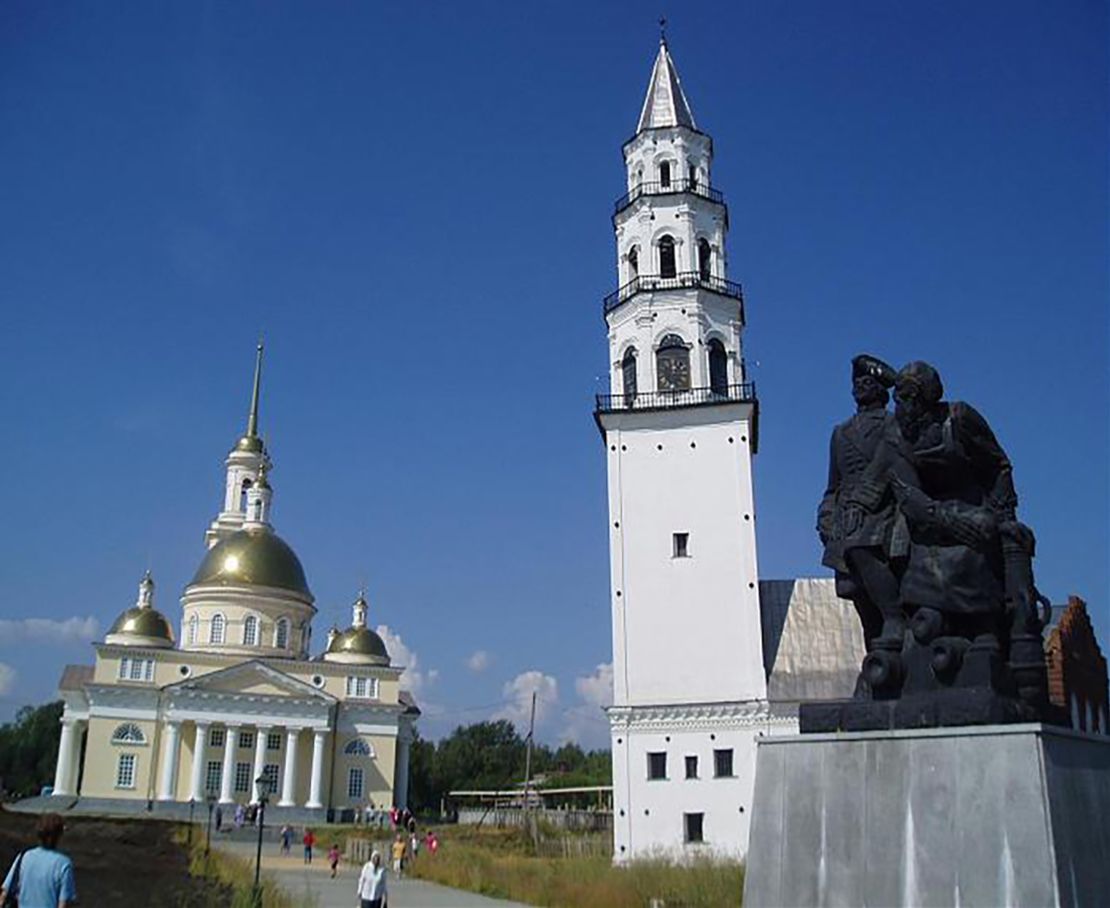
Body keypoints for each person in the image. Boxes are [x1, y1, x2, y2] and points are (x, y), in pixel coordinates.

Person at [816, 354, 907, 654]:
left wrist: (865, 503)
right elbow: (833, 485)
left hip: (885, 510)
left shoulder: (894, 424)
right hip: (847, 517)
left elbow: (895, 468)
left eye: (868, 382)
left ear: (881, 390)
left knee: (860, 548)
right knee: (854, 590)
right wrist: (825, 514)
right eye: (857, 382)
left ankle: (895, 618)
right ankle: (877, 656)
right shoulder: (840, 433)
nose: (861, 387)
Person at [0, 813, 78, 908]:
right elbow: (64, 904)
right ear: (59, 836)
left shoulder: (24, 857)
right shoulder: (63, 864)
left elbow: (5, 893)